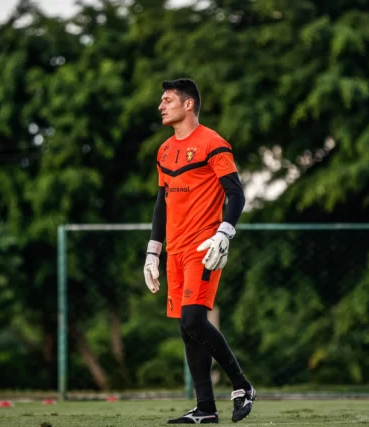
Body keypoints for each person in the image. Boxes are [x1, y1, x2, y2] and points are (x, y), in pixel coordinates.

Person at [143, 78, 256, 424]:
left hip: (203, 248)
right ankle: (206, 408)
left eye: (167, 100)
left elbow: (235, 193)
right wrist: (152, 252)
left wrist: (225, 231)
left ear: (188, 104)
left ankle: (242, 385)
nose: (161, 105)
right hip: (174, 251)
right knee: (186, 327)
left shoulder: (212, 143)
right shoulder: (163, 151)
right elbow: (162, 204)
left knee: (194, 319)